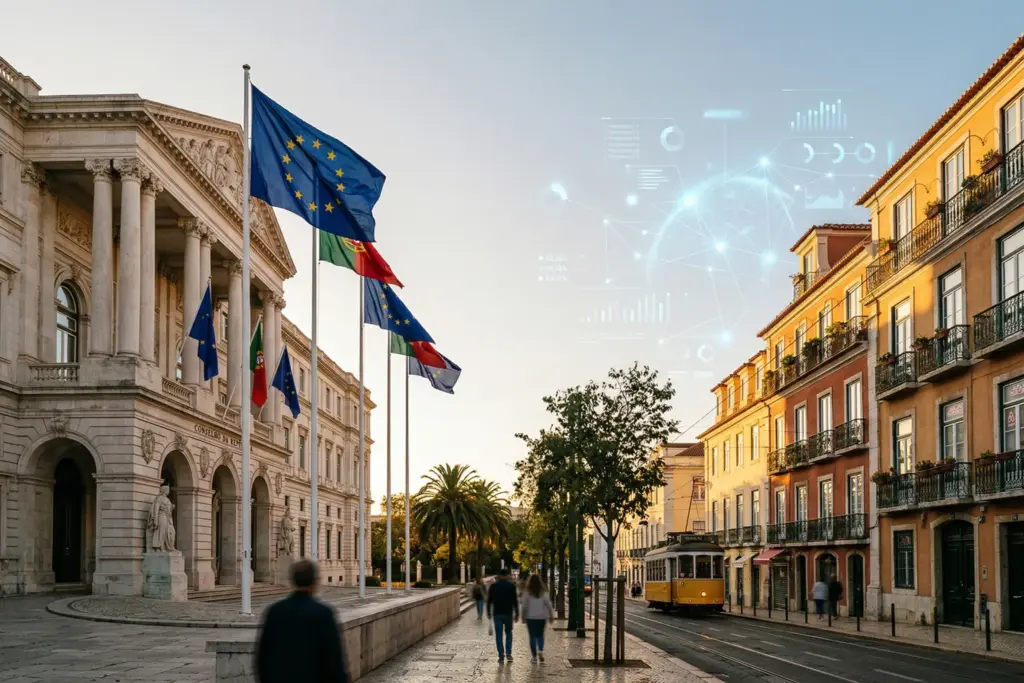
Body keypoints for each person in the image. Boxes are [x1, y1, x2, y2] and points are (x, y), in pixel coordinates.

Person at [255, 559, 348, 683]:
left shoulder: (275, 611)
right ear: (314, 582)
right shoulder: (323, 613)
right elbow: (334, 659)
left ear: (293, 581)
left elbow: (262, 657)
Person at [487, 567, 519, 664]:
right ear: (507, 575)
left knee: (499, 635)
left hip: (497, 614)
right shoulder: (512, 586)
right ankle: (508, 653)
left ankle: (501, 656)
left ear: (499, 576)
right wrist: (517, 613)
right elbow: (515, 601)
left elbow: (489, 601)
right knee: (509, 633)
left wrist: (488, 612)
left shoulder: (493, 586)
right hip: (508, 613)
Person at [521, 574, 554, 664]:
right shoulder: (543, 592)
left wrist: (523, 617)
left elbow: (524, 606)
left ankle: (534, 657)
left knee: (532, 637)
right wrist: (551, 616)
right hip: (541, 617)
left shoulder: (527, 593)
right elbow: (549, 605)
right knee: (540, 635)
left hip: (530, 618)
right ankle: (540, 650)